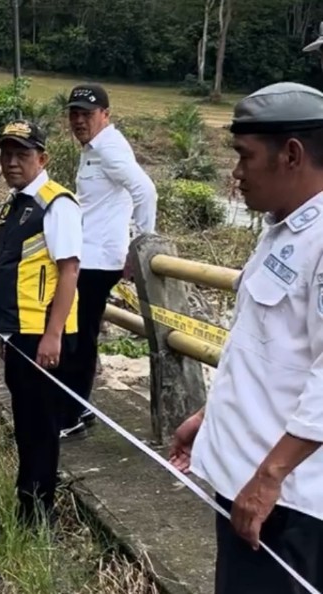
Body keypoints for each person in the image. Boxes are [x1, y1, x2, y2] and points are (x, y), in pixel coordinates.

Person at [170, 82, 323, 594]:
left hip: (286, 504)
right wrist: (209, 418)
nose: (234, 175)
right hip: (246, 484)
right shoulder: (281, 228)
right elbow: (260, 347)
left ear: (292, 155)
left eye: (244, 157)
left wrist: (270, 478)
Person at [0, 119, 82, 525]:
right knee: (26, 426)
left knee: (41, 429)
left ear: (42, 158)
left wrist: (52, 335)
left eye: (22, 154)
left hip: (43, 337)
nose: (12, 162)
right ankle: (25, 507)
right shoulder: (17, 204)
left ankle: (39, 519)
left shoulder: (55, 203)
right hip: (20, 332)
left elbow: (70, 271)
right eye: (6, 154)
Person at [62, 83, 157, 440]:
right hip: (88, 256)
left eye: (86, 114)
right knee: (79, 333)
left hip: (98, 260)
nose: (79, 121)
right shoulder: (94, 149)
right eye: (74, 114)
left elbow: (145, 191)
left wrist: (141, 245)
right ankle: (78, 406)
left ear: (105, 115)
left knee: (79, 336)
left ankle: (70, 414)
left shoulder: (109, 148)